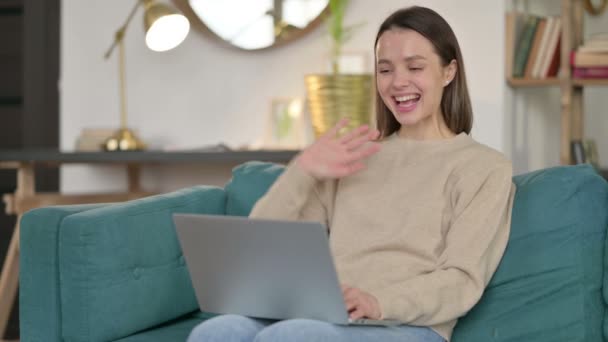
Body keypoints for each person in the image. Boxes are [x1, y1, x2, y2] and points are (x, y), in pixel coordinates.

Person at [187, 5, 516, 342]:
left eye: (415, 66)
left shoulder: (483, 167)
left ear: (449, 72)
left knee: (290, 336)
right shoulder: (355, 155)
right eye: (385, 70)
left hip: (409, 326)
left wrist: (378, 302)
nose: (398, 82)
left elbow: (461, 280)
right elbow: (261, 250)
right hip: (327, 316)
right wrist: (303, 170)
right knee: (217, 331)